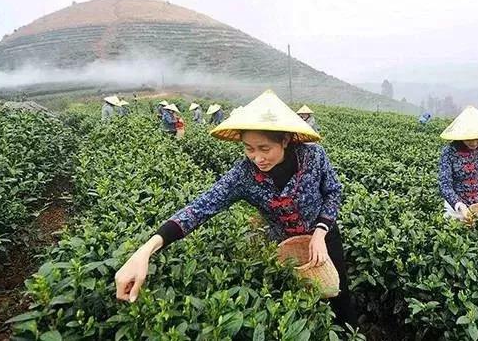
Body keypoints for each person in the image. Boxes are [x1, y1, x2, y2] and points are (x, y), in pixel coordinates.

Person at [114, 90, 356, 326]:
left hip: (324, 237)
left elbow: (333, 191)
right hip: (285, 247)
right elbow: (199, 208)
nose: (257, 158)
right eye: (249, 148)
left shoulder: (313, 156)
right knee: (302, 304)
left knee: (337, 292)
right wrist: (145, 250)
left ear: (284, 140)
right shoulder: (243, 175)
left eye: (264, 149)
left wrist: (321, 232)